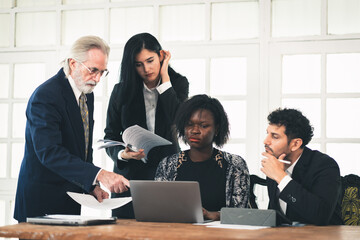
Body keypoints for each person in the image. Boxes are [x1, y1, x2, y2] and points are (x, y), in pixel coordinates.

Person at [14, 36, 130, 223]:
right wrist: (99, 173)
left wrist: (91, 184)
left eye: (102, 72)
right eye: (93, 70)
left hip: (70, 203)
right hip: (40, 204)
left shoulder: (86, 94)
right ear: (73, 63)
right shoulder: (46, 96)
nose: (98, 79)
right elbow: (50, 153)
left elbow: (82, 146)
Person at [104, 32, 189, 218]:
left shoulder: (178, 84)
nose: (146, 69)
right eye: (138, 64)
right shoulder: (121, 91)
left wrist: (165, 77)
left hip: (167, 172)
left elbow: (179, 119)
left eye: (150, 60)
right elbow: (110, 134)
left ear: (161, 56)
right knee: (124, 234)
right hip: (129, 177)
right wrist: (122, 154)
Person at [155, 94, 250, 221]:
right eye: (189, 124)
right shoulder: (167, 164)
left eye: (203, 126)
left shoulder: (235, 165)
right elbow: (158, 208)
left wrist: (214, 215)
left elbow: (241, 213)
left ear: (216, 129)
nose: (195, 130)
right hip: (177, 232)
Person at [261, 108, 343, 225]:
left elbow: (320, 216)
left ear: (295, 144)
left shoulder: (325, 166)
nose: (265, 141)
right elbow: (277, 215)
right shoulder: (275, 164)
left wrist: (281, 177)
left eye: (275, 136)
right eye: (267, 133)